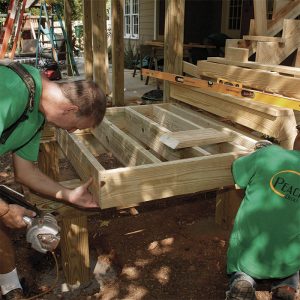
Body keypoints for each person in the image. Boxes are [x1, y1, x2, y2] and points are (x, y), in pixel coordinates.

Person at [0, 62, 106, 299]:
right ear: (70, 108)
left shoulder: (37, 114)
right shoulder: (9, 90)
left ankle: (10, 289)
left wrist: (68, 195)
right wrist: (5, 211)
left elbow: (25, 171)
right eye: (76, 127)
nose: (70, 132)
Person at [225, 127, 300, 300]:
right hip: (287, 259)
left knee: (242, 266)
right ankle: (287, 285)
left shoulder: (269, 155)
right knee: (291, 261)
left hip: (248, 255)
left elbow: (238, 172)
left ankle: (242, 280)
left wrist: (262, 155)